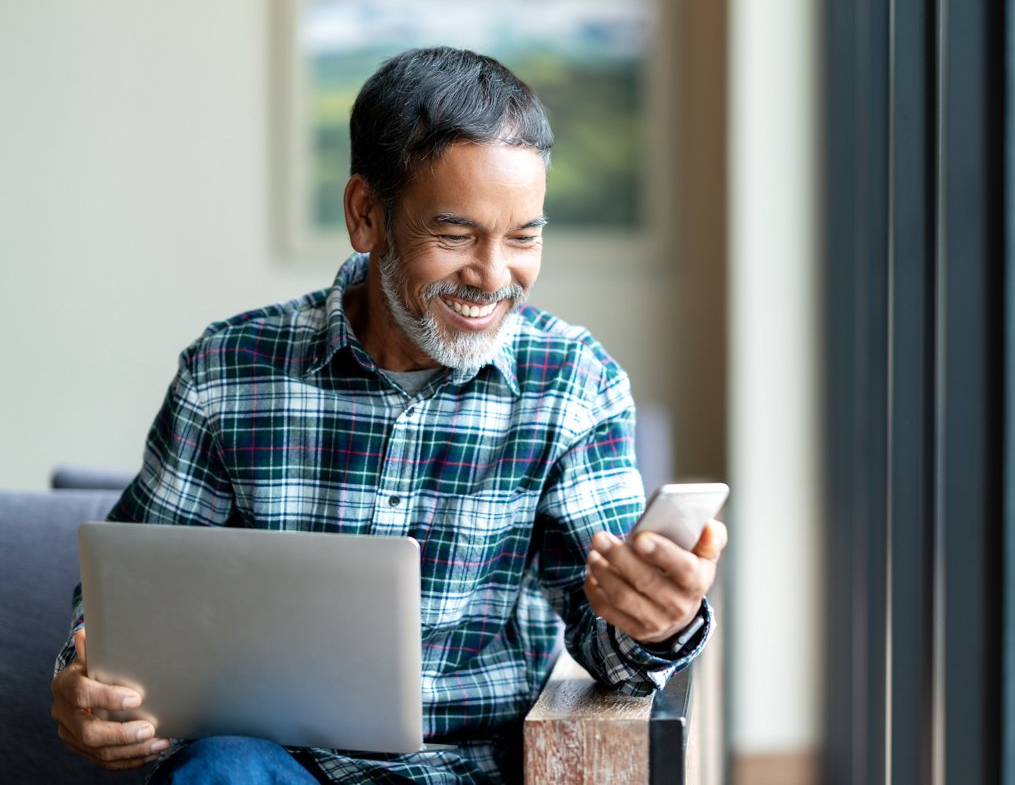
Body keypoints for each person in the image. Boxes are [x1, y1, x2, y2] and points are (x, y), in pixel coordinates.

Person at [48, 47, 728, 784]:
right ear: (366, 215)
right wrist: (89, 681)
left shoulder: (571, 383)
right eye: (455, 234)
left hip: (476, 768)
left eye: (524, 236)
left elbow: (610, 649)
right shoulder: (229, 371)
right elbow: (130, 600)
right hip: (271, 764)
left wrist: (656, 622)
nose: (495, 277)